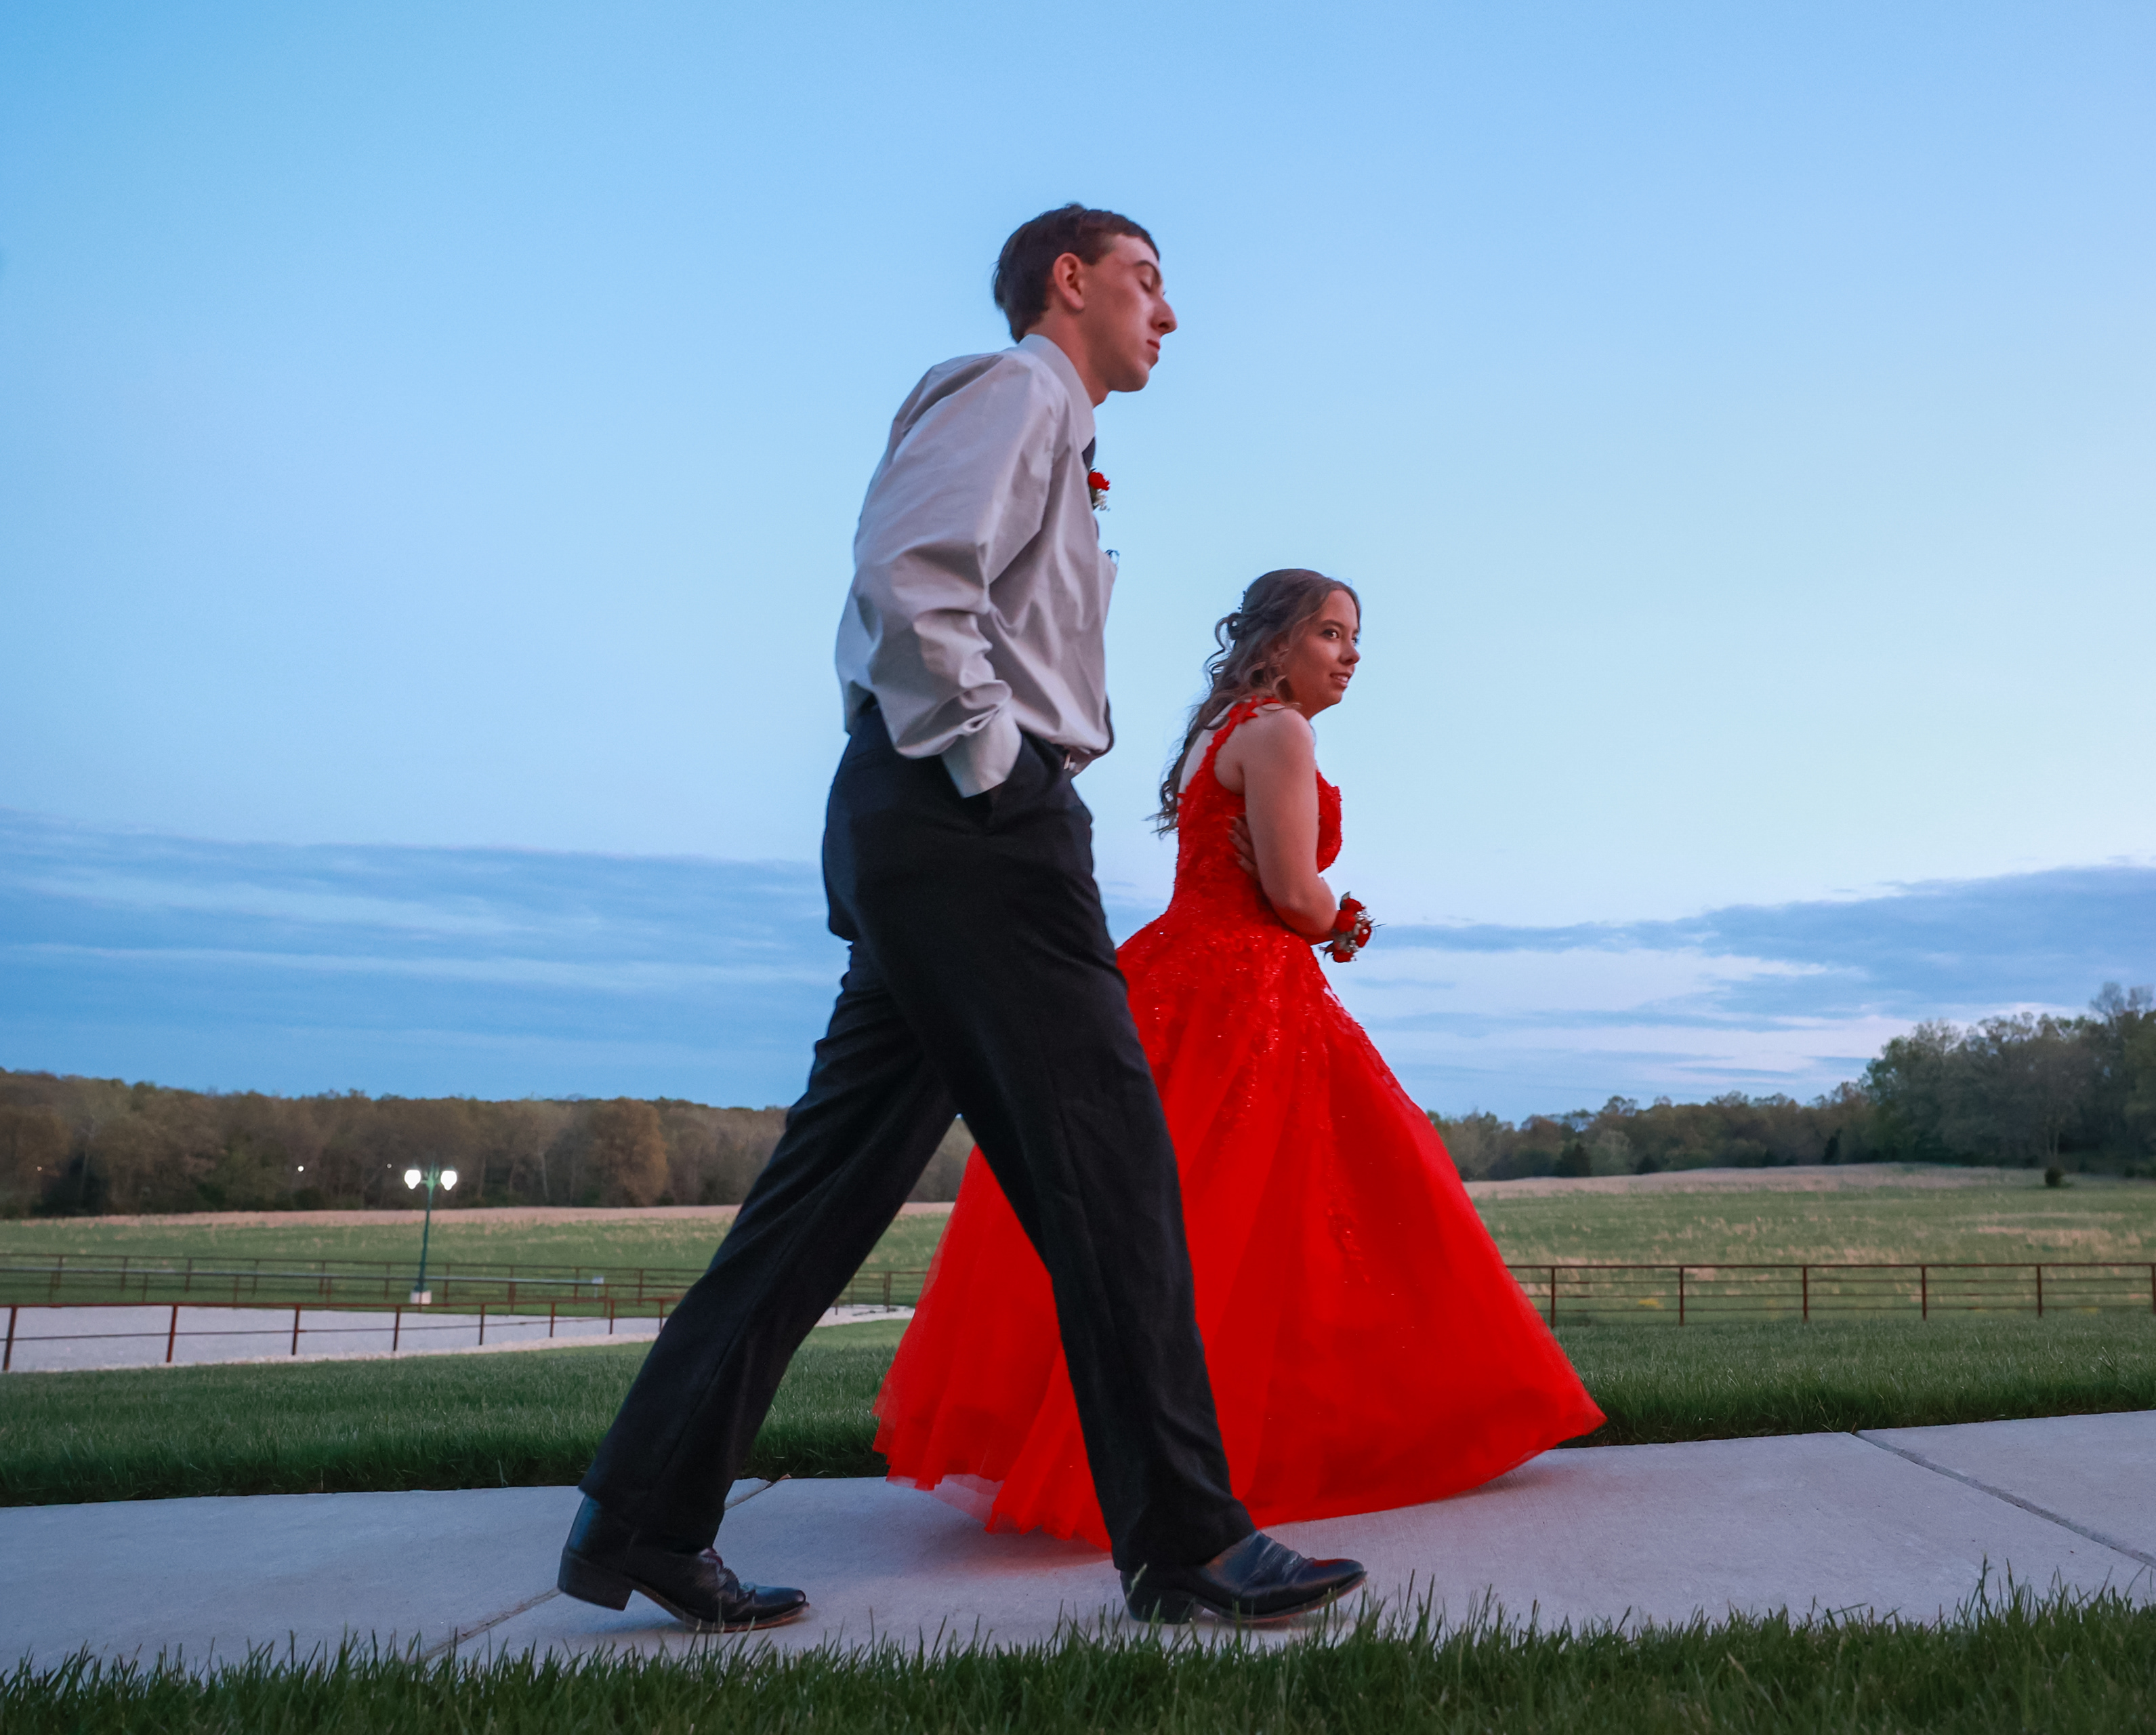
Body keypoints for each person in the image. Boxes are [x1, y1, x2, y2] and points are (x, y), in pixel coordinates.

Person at [556, 206, 1366, 1630]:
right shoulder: (1015, 389)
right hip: (977, 822)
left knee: (822, 1196)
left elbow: (909, 616)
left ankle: (642, 1516)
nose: (1166, 316)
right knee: (1113, 1172)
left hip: (924, 824)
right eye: (1146, 281)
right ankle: (1187, 1536)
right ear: (1070, 282)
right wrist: (997, 768)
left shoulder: (1046, 421)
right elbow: (906, 579)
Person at [873, 569, 1603, 1547]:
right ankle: (1295, 1445)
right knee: (1303, 1214)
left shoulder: (1214, 733)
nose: (1350, 657)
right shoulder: (1282, 733)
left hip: (1173, 979)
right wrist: (1349, 921)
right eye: (1333, 635)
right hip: (1250, 992)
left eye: (1356, 640)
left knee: (1186, 1215)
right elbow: (1296, 900)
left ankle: (1143, 1447)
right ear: (1275, 644)